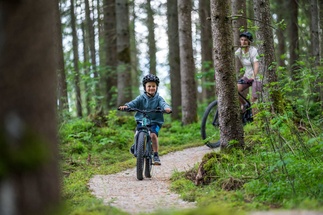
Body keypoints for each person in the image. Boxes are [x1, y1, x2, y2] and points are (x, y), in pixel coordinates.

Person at [119, 74, 172, 165]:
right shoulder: (141, 98)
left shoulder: (158, 98)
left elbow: (164, 104)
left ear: (156, 87)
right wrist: (126, 106)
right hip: (141, 120)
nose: (151, 88)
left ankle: (155, 154)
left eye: (153, 86)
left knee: (153, 135)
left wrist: (167, 108)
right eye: (149, 86)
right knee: (137, 133)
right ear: (145, 87)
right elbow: (133, 103)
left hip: (155, 122)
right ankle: (137, 147)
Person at [235, 31, 262, 114]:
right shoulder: (239, 51)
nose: (243, 42)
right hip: (247, 76)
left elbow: (256, 65)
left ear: (249, 41)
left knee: (254, 99)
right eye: (241, 40)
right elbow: (229, 59)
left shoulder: (254, 51)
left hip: (257, 77)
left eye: (245, 40)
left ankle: (256, 122)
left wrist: (253, 77)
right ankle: (244, 105)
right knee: (235, 90)